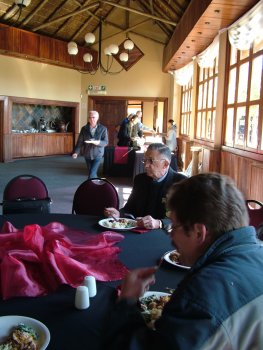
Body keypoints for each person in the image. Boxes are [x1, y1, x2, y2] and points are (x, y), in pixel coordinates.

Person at [101, 173, 263, 350]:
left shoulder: (199, 298)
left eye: (174, 226)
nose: (170, 235)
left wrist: (127, 302)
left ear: (199, 233)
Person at [104, 143, 186, 229]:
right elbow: (130, 208)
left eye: (151, 161)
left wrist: (159, 223)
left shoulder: (181, 183)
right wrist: (119, 214)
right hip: (139, 232)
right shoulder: (140, 180)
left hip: (165, 236)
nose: (146, 165)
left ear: (165, 164)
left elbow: (184, 219)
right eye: (145, 160)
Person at [72, 110, 108, 178]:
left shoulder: (103, 129)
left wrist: (98, 142)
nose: (91, 119)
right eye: (90, 117)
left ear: (97, 118)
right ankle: (96, 185)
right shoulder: (84, 128)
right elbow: (80, 142)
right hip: (87, 154)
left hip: (98, 154)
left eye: (93, 117)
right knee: (91, 173)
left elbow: (105, 142)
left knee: (91, 173)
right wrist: (76, 152)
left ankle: (90, 187)